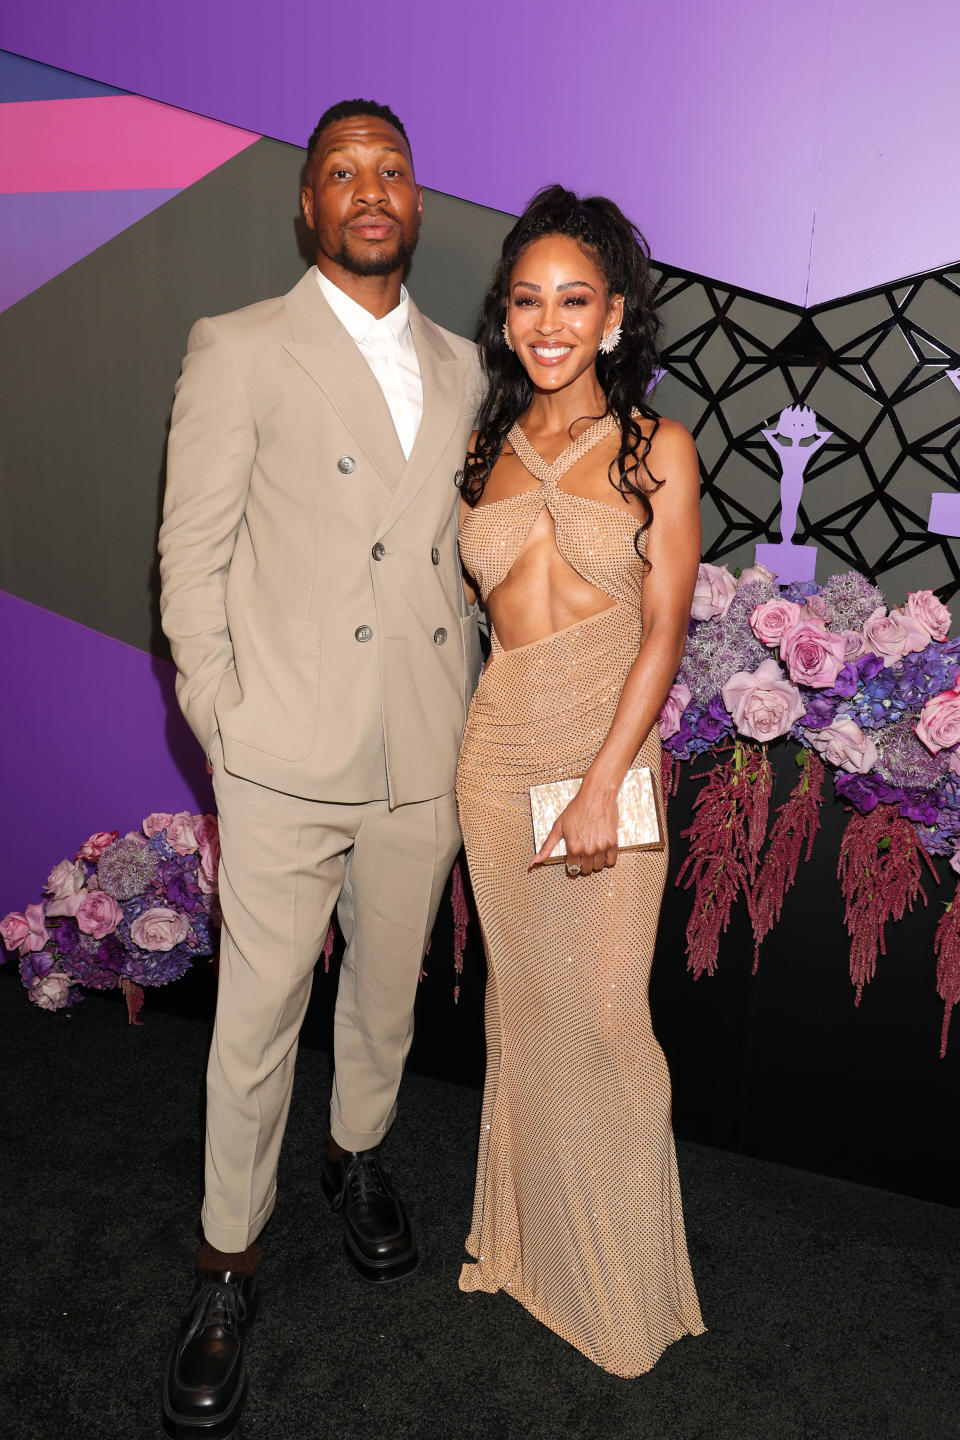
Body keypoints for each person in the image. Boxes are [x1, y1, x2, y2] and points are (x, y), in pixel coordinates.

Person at [158, 99, 482, 1438]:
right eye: (342, 171)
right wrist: (222, 717)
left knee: (386, 998)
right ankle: (227, 1263)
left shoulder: (471, 366)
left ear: (416, 201)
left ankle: (356, 1159)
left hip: (422, 741)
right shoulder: (239, 347)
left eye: (390, 170)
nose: (368, 189)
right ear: (307, 206)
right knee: (255, 1022)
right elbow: (192, 554)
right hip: (285, 747)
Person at [456, 185, 706, 1376]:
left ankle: (623, 1283)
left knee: (608, 1020)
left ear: (614, 318)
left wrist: (608, 779)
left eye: (574, 300)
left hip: (604, 756)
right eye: (527, 300)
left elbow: (662, 631)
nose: (548, 321)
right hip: (498, 756)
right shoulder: (484, 448)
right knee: (529, 1011)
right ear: (506, 318)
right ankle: (526, 1250)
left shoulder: (662, 450)